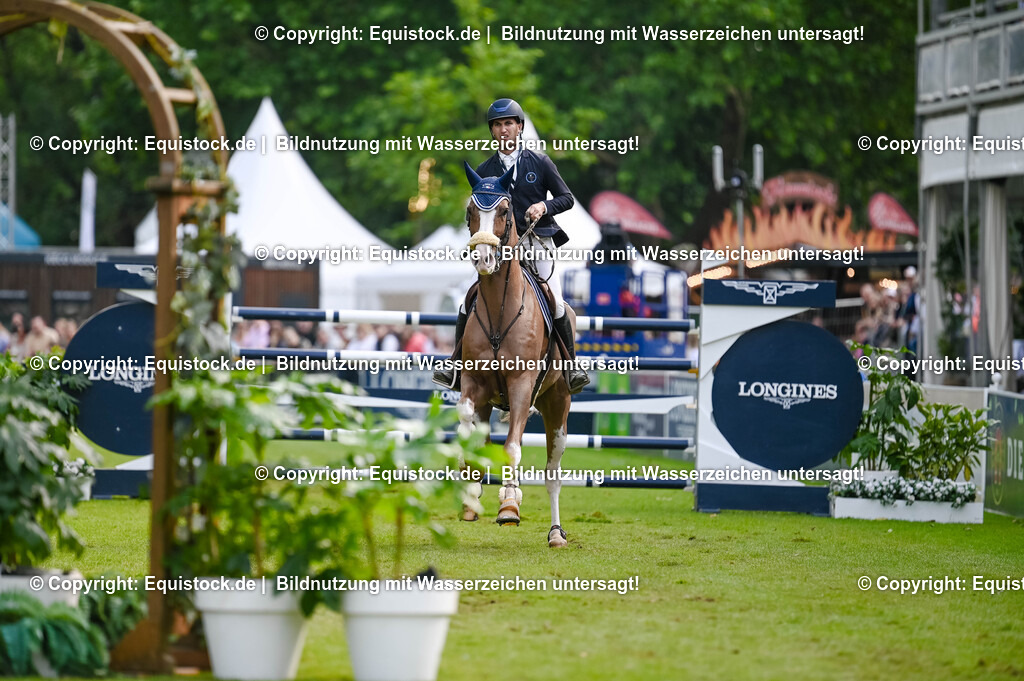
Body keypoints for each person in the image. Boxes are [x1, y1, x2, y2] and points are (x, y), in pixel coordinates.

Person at [433, 98, 589, 393]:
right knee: (468, 298)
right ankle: (455, 363)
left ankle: (570, 366)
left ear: (519, 127)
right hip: (497, 248)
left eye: (508, 124)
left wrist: (544, 205)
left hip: (536, 242)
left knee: (556, 302)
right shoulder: (484, 169)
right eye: (497, 125)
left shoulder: (540, 162)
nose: (503, 130)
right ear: (492, 131)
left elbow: (566, 198)